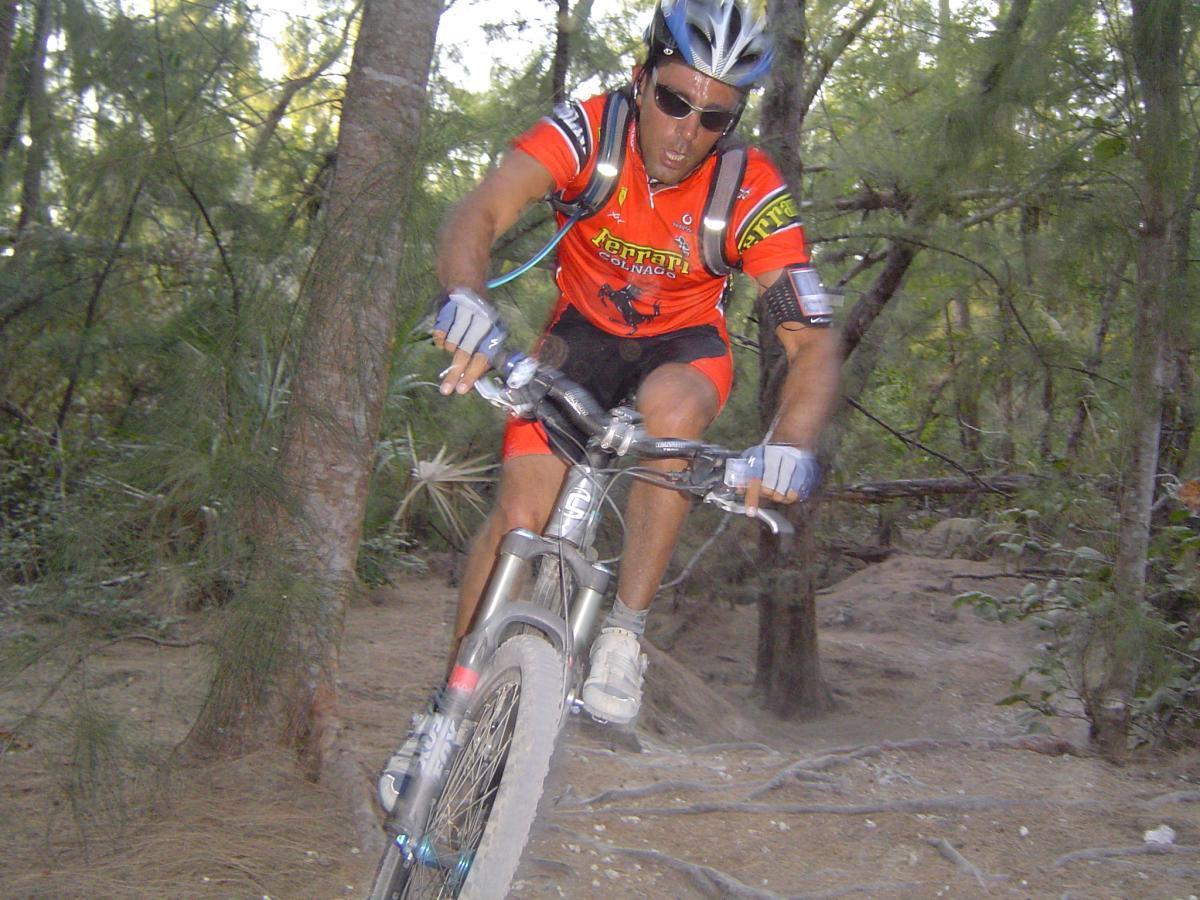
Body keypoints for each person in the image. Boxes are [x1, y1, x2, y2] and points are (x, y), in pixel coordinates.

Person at [380, 0, 841, 814]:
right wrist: (466, 299)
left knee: (675, 413)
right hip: (580, 337)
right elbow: (481, 210)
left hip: (683, 348)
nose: (684, 131)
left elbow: (809, 339)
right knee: (521, 512)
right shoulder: (589, 131)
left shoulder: (747, 187)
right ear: (642, 79)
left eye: (713, 116)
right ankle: (443, 714)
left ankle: (625, 631)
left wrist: (792, 442)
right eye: (672, 100)